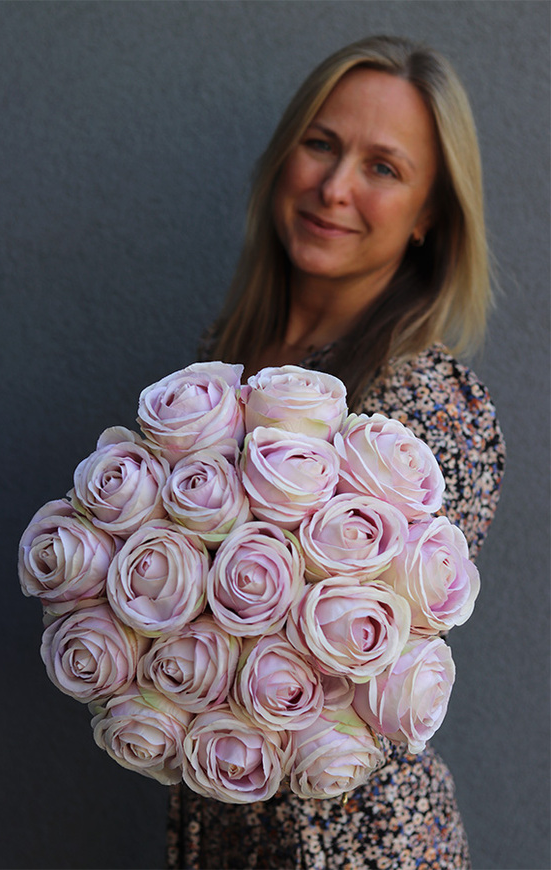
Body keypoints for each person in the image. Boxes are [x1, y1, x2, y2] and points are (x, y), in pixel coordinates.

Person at [166, 35, 506, 869]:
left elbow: (367, 662)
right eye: (321, 143)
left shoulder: (425, 404)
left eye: (383, 168)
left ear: (430, 215)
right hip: (222, 829)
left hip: (353, 841)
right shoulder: (222, 365)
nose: (334, 186)